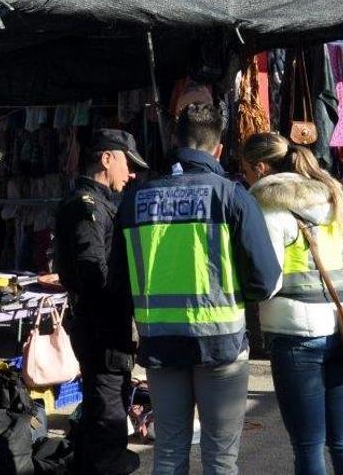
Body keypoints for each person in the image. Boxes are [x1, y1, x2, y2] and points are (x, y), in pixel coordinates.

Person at [114, 104, 280, 474]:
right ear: (218, 148)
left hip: (160, 342)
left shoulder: (136, 200)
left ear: (174, 140)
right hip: (220, 344)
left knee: (169, 451)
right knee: (220, 458)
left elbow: (119, 280)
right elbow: (264, 281)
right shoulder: (232, 197)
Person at [243, 133, 343, 475]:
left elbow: (267, 281)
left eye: (247, 171)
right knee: (342, 437)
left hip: (294, 333)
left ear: (261, 167)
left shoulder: (267, 207)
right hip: (339, 329)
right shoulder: (331, 199)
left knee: (308, 445)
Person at [53, 128, 148, 475]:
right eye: (128, 164)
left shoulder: (98, 203)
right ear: (107, 159)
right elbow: (92, 269)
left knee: (104, 404)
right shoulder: (88, 206)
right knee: (108, 408)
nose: (132, 173)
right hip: (103, 325)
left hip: (102, 323)